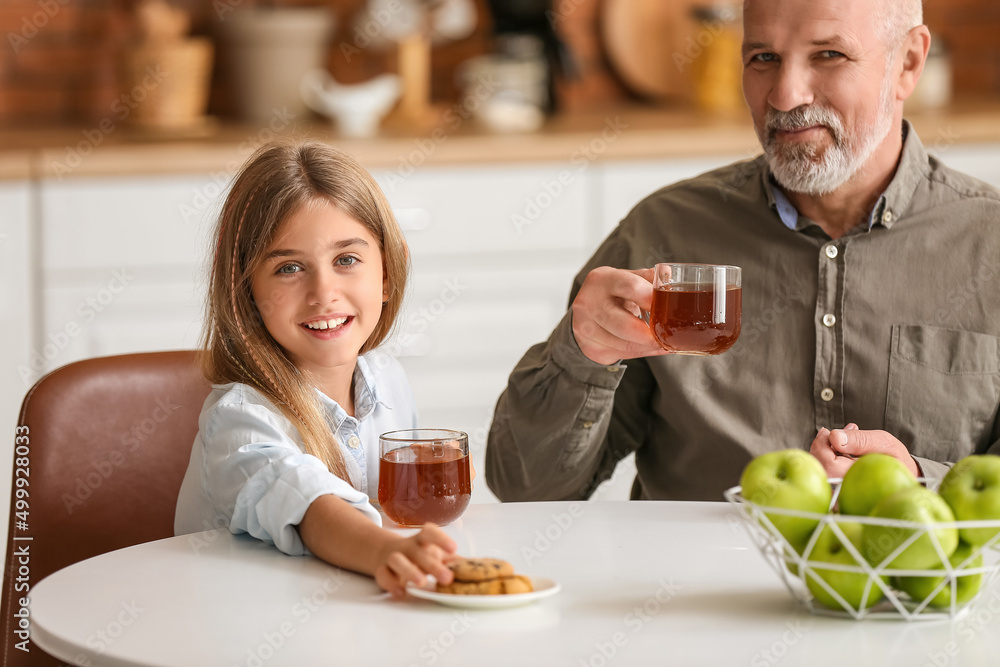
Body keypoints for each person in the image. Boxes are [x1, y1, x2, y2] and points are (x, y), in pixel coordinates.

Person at [486, 0, 1000, 503]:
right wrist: (583, 356)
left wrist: (920, 482)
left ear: (908, 62)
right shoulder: (662, 231)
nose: (784, 95)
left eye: (828, 55)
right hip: (687, 590)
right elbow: (524, 489)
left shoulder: (989, 242)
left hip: (919, 588)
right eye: (763, 58)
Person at [174, 140, 457, 597]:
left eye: (346, 260)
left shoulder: (389, 381)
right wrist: (383, 550)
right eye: (289, 268)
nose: (323, 293)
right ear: (245, 293)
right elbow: (307, 503)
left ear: (388, 272)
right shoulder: (240, 418)